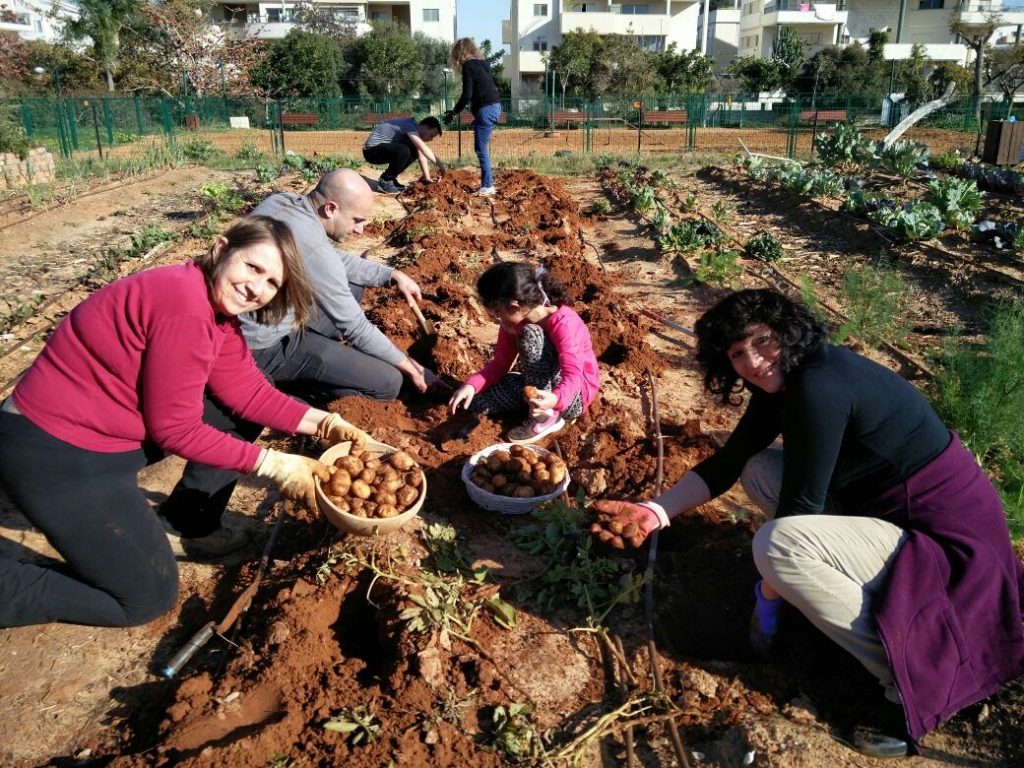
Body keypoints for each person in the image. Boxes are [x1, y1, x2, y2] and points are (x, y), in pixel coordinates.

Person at [589, 289, 1024, 758]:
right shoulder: (785, 384)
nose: (753, 362)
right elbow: (730, 461)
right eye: (737, 353)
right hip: (889, 514)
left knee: (778, 546)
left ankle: (908, 674)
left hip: (944, 540)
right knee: (759, 469)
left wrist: (767, 605)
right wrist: (655, 512)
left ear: (788, 333)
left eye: (762, 342)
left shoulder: (821, 386)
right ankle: (837, 599)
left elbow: (801, 508)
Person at [0, 216, 371, 629]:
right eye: (253, 268)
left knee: (232, 411)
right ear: (220, 248)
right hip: (56, 454)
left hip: (106, 434)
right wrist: (274, 464)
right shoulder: (185, 308)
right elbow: (175, 430)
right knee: (144, 600)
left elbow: (246, 391)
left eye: (272, 284)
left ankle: (189, 520)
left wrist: (327, 423)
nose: (257, 289)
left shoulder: (212, 307)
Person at [158, 169, 439, 553]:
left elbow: (332, 262)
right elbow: (352, 325)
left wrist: (390, 274)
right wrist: (411, 366)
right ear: (329, 208)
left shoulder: (285, 205)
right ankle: (187, 523)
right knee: (238, 421)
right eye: (357, 221)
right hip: (252, 352)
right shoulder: (308, 242)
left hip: (286, 333)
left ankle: (294, 395)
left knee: (380, 371)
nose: (361, 231)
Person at [449, 261, 600, 444]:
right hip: (537, 384)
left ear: (513, 306)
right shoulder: (513, 323)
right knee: (476, 402)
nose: (497, 318)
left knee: (530, 334)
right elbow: (501, 363)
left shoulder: (564, 323)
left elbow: (573, 374)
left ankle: (546, 417)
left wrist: (554, 400)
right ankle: (533, 403)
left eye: (497, 312)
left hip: (571, 396)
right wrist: (471, 385)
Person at [443, 37, 502, 197]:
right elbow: (484, 89)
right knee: (482, 147)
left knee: (480, 148)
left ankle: (488, 185)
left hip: (486, 109)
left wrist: (454, 112)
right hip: (495, 106)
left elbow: (467, 94)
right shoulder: (484, 64)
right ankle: (488, 182)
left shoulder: (469, 65)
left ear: (459, 53)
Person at [362, 115, 445, 194]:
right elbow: (423, 149)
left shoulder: (413, 130)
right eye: (431, 135)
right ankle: (386, 181)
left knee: (413, 150)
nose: (431, 139)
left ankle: (390, 178)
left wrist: (427, 178)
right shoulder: (409, 126)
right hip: (371, 152)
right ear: (425, 127)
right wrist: (442, 167)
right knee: (404, 150)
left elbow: (421, 155)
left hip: (382, 150)